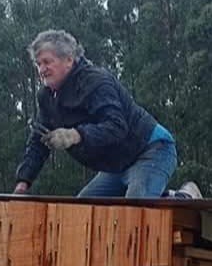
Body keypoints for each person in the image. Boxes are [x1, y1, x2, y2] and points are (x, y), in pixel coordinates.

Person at [13, 29, 200, 199]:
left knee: (137, 205)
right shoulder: (47, 98)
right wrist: (23, 182)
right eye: (38, 64)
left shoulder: (96, 82)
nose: (42, 70)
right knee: (82, 209)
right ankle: (164, 197)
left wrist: (75, 135)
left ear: (69, 60)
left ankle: (185, 196)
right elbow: (39, 141)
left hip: (151, 149)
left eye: (47, 62)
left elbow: (116, 127)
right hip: (117, 165)